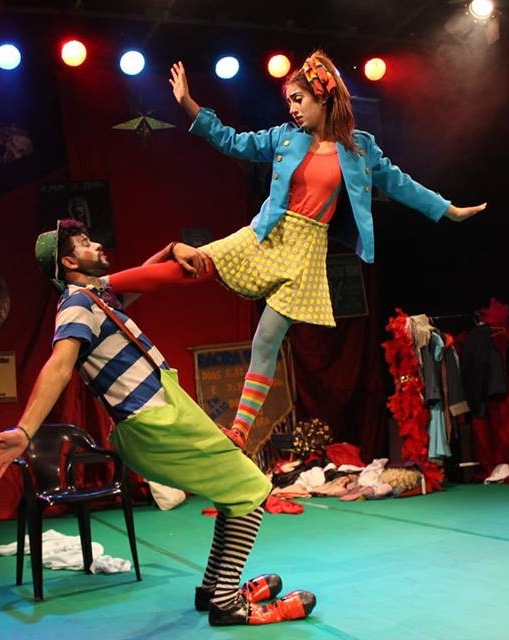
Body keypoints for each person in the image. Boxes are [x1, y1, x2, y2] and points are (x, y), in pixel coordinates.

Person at [0, 219, 316, 626]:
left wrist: (171, 248)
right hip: (154, 418)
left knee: (233, 491)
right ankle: (227, 603)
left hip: (162, 410)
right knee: (252, 489)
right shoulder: (77, 305)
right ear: (68, 262)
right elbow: (60, 365)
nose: (96, 244)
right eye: (85, 243)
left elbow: (144, 278)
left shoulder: (100, 298)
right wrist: (24, 430)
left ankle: (213, 588)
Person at [162, 52, 486, 451]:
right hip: (269, 234)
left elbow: (399, 183)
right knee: (197, 261)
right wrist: (188, 104)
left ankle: (240, 432)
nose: (293, 109)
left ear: (324, 97)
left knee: (266, 339)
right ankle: (114, 287)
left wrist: (447, 209)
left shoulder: (359, 148)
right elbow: (233, 141)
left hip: (305, 251)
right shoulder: (286, 138)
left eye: (299, 99)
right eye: (290, 102)